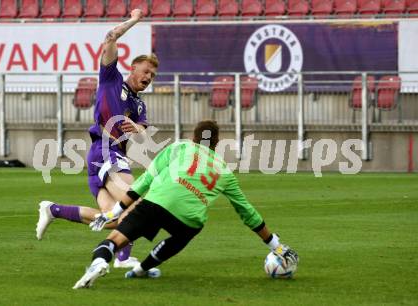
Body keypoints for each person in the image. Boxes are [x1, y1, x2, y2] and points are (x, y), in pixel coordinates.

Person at [73, 120, 299, 289]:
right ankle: (141, 270)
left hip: (156, 202)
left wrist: (114, 211)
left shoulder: (179, 147)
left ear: (193, 137)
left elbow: (144, 182)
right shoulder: (224, 171)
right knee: (182, 235)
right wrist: (276, 246)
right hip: (189, 218)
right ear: (216, 144)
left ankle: (100, 262)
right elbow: (247, 213)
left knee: (114, 241)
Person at [36, 8, 157, 268]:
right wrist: (135, 20)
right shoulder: (111, 78)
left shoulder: (139, 104)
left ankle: (53, 209)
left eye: (152, 75)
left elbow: (144, 130)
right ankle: (123, 258)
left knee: (112, 219)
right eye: (146, 71)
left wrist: (138, 130)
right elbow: (111, 36)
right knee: (135, 203)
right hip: (105, 150)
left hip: (106, 156)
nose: (148, 77)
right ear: (133, 67)